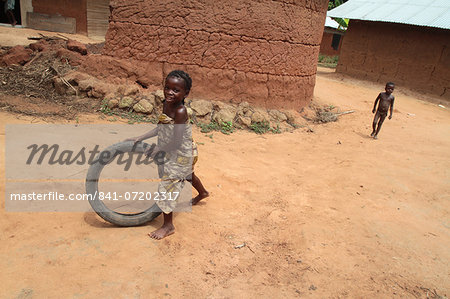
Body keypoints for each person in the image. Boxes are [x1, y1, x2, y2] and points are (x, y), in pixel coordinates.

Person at [126, 70, 209, 240]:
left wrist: (159, 149)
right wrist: (140, 137)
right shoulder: (167, 104)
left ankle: (168, 225)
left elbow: (177, 142)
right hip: (173, 150)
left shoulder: (180, 112)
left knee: (168, 185)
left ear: (186, 93)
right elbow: (161, 127)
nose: (170, 92)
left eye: (176, 90)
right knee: (187, 175)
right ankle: (203, 193)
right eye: (167, 88)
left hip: (181, 153)